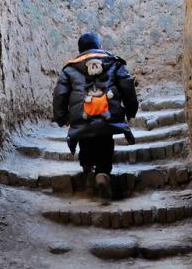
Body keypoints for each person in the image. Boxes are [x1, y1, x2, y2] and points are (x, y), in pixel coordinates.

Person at [53, 32, 139, 200]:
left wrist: (62, 117)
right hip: (108, 115)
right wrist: (130, 110)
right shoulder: (114, 62)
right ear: (100, 47)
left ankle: (86, 165)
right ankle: (102, 173)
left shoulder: (70, 69)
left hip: (82, 116)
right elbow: (127, 85)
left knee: (84, 135)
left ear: (79, 51)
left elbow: (60, 94)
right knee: (105, 139)